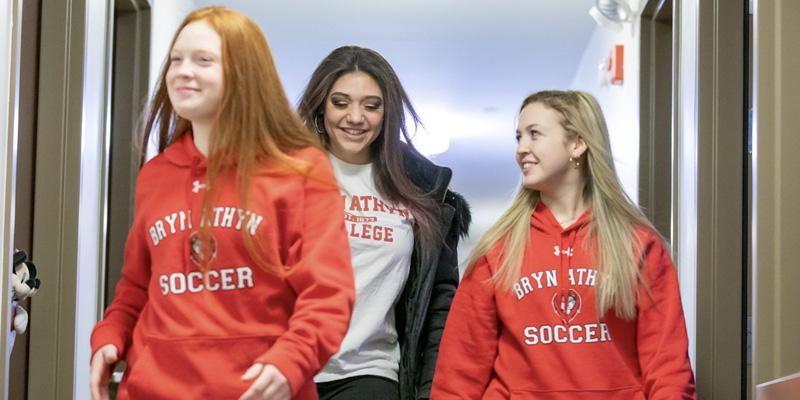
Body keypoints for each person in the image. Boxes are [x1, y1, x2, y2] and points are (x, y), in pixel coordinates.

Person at [88, 7, 354, 400]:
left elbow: (327, 294)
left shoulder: (300, 171)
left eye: (203, 60)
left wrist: (292, 360)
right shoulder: (157, 175)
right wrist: (110, 336)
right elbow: (137, 287)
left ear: (244, 73)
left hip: (255, 391)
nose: (182, 71)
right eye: (176, 59)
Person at [430, 90, 696, 399]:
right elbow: (459, 372)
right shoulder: (498, 249)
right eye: (518, 137)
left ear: (577, 143)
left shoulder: (637, 245)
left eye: (534, 135)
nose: (521, 149)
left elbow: (668, 369)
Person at [296, 46, 471, 400]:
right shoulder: (286, 175)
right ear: (321, 105)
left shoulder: (421, 188)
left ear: (387, 111)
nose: (356, 117)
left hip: (370, 373)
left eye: (371, 106)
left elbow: (439, 303)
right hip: (288, 367)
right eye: (341, 102)